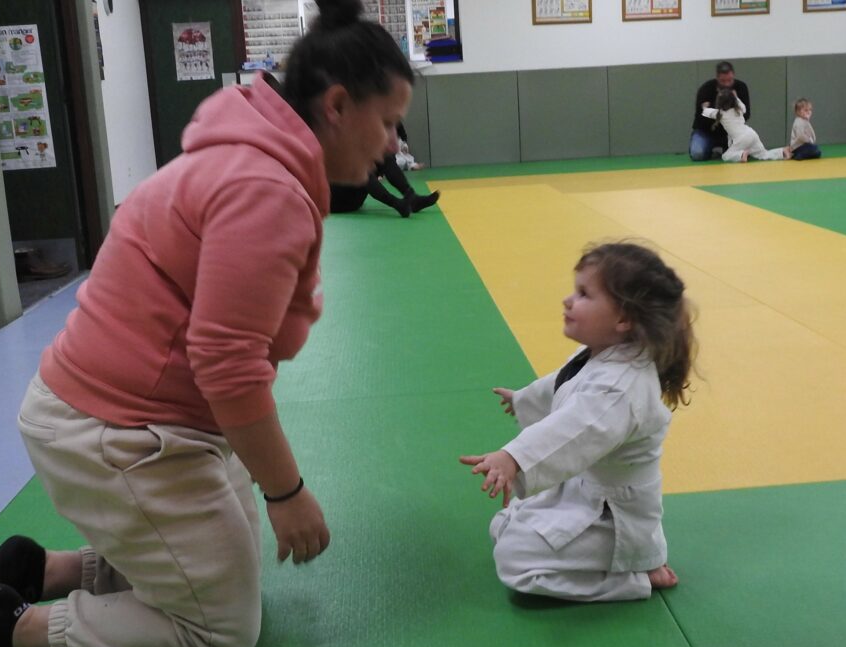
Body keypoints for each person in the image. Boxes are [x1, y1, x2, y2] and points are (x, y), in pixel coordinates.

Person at [0, 0, 415, 647]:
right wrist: (287, 492)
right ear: (337, 105)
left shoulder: (251, 158)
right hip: (115, 430)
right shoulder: (265, 189)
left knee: (230, 565)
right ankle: (15, 626)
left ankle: (48, 570)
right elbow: (228, 364)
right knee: (222, 628)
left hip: (143, 417)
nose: (392, 144)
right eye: (387, 122)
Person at [460, 242, 697, 602]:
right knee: (505, 523)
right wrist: (525, 400)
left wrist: (514, 457)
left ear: (623, 319)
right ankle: (631, 561)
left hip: (614, 517)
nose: (568, 301)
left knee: (514, 560)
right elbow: (564, 384)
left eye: (584, 294)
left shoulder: (620, 388)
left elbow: (573, 430)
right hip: (586, 490)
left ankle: (634, 577)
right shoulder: (600, 355)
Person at [329, 149, 440, 218]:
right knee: (360, 169)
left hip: (351, 194)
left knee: (384, 157)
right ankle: (397, 204)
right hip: (336, 200)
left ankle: (412, 198)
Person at [702, 89, 790, 162]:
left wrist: (704, 107)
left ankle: (741, 155)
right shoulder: (739, 109)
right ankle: (782, 152)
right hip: (752, 134)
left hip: (741, 139)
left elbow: (707, 112)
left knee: (725, 156)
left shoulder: (720, 114)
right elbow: (743, 106)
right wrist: (736, 97)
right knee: (763, 154)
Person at [689, 61, 751, 162]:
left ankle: (729, 149)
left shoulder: (741, 87)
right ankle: (712, 152)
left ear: (733, 76)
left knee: (744, 151)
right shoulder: (706, 89)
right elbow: (700, 119)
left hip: (731, 132)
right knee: (697, 154)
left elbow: (746, 114)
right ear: (717, 78)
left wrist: (735, 101)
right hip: (707, 131)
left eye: (730, 80)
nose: (727, 84)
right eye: (723, 81)